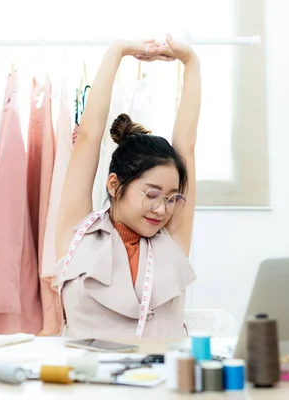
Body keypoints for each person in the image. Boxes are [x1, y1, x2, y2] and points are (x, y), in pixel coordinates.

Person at [55, 35, 201, 338]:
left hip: (162, 381)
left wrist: (191, 62)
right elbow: (88, 137)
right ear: (114, 184)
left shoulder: (171, 240)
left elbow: (186, 144)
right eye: (151, 194)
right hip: (88, 380)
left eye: (172, 198)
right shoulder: (78, 234)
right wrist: (117, 51)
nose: (162, 209)